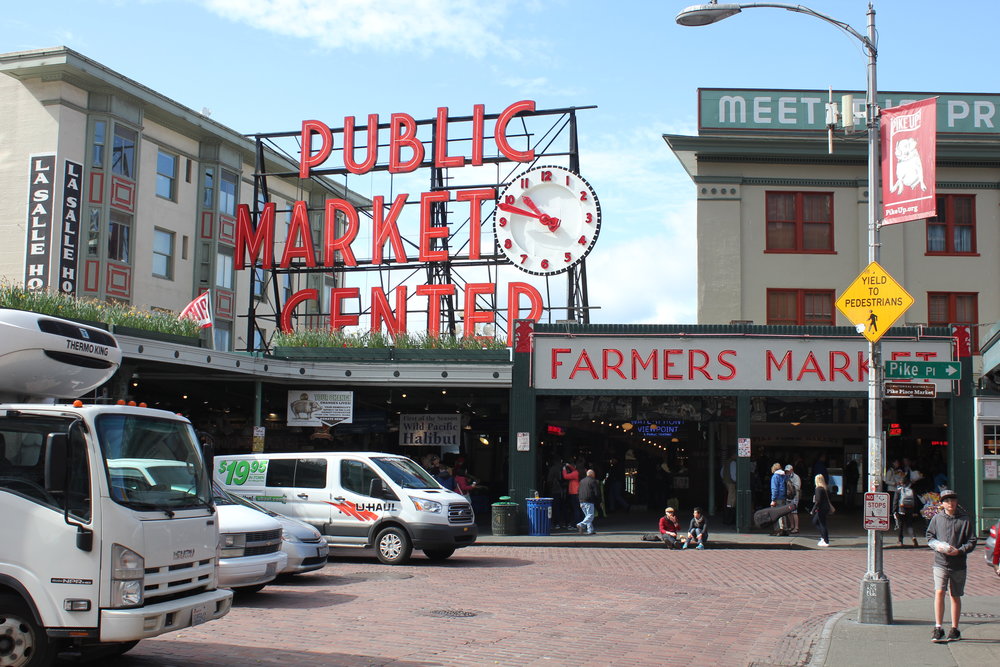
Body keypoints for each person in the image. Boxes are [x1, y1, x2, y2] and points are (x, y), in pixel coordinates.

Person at [926, 489, 977, 643]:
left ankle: (955, 629)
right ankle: (938, 627)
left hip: (958, 564)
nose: (950, 503)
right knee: (939, 592)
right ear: (942, 504)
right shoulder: (937, 519)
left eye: (952, 500)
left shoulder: (965, 520)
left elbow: (972, 541)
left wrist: (959, 551)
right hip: (940, 562)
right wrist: (937, 546)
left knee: (955, 595)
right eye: (947, 501)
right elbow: (930, 536)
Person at [893, 477, 920, 548]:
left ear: (901, 483)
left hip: (901, 510)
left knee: (900, 525)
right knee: (910, 525)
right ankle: (914, 539)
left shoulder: (898, 491)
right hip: (910, 510)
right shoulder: (911, 490)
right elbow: (916, 502)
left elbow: (895, 502)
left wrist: (894, 511)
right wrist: (915, 511)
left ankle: (900, 541)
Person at [545, 460, 569, 530]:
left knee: (556, 507)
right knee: (564, 507)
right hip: (564, 490)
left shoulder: (553, 469)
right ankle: (566, 522)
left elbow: (549, 480)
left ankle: (557, 523)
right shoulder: (564, 468)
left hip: (555, 490)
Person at [811, 473, 835, 547]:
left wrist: (813, 509)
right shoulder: (825, 488)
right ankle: (823, 537)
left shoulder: (818, 489)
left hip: (821, 508)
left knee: (820, 523)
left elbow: (818, 500)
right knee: (819, 522)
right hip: (825, 508)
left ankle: (825, 539)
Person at [576, 469, 601, 535]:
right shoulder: (593, 481)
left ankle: (590, 530)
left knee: (587, 516)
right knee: (590, 515)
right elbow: (597, 492)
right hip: (589, 500)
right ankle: (581, 524)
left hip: (581, 500)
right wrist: (599, 501)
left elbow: (578, 491)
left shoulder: (582, 481)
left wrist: (579, 499)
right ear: (592, 474)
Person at [769, 462, 788, 536]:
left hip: (777, 498)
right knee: (783, 513)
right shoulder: (784, 476)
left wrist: (773, 499)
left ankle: (778, 530)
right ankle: (785, 528)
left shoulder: (775, 476)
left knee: (776, 514)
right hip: (783, 497)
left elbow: (774, 489)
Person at [784, 464, 801, 534]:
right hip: (788, 497)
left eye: (788, 471)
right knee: (788, 512)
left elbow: (798, 487)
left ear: (791, 470)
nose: (787, 472)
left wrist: (790, 486)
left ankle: (796, 527)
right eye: (786, 471)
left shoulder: (796, 477)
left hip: (794, 496)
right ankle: (792, 526)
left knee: (794, 512)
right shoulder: (785, 477)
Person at [721, 454, 737, 524]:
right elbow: (733, 474)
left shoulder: (727, 462)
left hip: (726, 482)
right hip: (731, 483)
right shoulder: (733, 462)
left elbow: (721, 473)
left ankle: (727, 516)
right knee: (732, 500)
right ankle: (730, 518)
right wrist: (736, 481)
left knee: (729, 499)